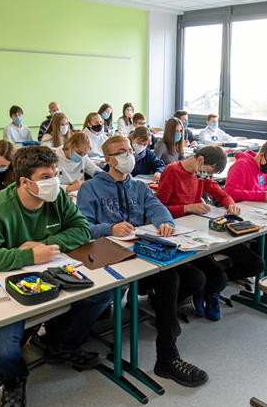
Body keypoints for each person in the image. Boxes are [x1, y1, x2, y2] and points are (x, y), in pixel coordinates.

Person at [0, 146, 110, 407]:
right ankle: (14, 379)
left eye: (55, 173)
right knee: (3, 351)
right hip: (10, 285)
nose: (53, 181)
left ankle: (61, 344)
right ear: (24, 182)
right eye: (45, 176)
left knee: (102, 294)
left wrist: (46, 247)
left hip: (52, 271)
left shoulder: (57, 198)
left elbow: (81, 229)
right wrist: (26, 255)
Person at [77, 135, 209, 387]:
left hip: (142, 249)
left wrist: (166, 223)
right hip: (111, 254)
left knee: (194, 277)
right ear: (108, 159)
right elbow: (82, 227)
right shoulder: (90, 188)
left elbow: (157, 208)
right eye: (121, 152)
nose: (128, 156)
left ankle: (163, 314)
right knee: (170, 278)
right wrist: (109, 228)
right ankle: (167, 358)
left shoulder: (137, 185)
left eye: (129, 151)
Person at [156, 145, 264, 320]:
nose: (208, 176)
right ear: (200, 160)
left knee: (255, 264)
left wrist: (230, 203)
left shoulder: (201, 174)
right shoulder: (172, 171)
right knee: (216, 276)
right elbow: (159, 208)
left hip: (202, 227)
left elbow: (220, 193)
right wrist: (187, 207)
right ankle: (207, 289)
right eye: (209, 171)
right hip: (180, 231)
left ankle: (207, 289)